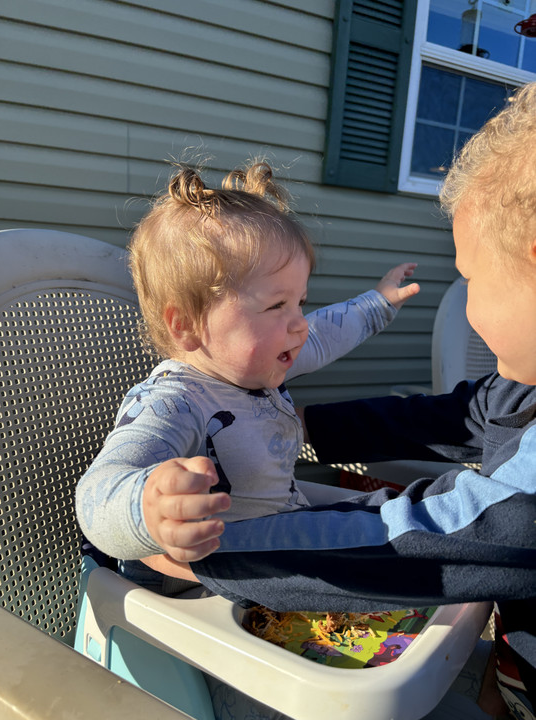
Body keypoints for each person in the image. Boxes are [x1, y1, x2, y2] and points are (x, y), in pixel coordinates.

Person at [121, 83, 536, 719]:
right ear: (187, 324)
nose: (467, 304)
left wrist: (209, 554)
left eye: (471, 278)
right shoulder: (173, 399)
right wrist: (309, 428)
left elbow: (452, 532)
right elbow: (475, 413)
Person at [75, 159, 419, 594]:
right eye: (276, 306)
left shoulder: (256, 366)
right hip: (197, 595)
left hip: (276, 552)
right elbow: (97, 493)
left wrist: (378, 303)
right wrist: (147, 509)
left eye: (299, 302)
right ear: (187, 325)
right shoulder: (173, 402)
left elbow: (325, 333)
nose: (299, 324)